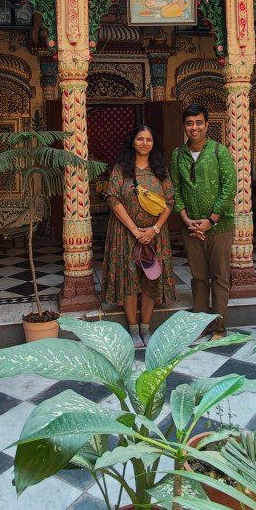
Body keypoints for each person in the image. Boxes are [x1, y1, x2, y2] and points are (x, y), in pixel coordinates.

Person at [100, 124, 176, 348]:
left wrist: (155, 229)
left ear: (154, 144)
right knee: (130, 278)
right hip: (125, 233)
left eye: (148, 139)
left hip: (155, 235)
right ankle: (133, 329)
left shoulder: (160, 169)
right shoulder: (121, 169)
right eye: (140, 139)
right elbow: (113, 198)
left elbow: (169, 201)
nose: (144, 143)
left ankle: (145, 327)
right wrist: (134, 230)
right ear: (132, 142)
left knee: (151, 276)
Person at [170, 103, 236, 338]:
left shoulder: (219, 152)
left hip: (219, 227)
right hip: (191, 227)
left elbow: (229, 189)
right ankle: (198, 325)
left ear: (207, 125)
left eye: (199, 123)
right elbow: (175, 189)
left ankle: (218, 327)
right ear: (184, 126)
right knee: (198, 278)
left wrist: (211, 220)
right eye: (190, 123)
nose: (194, 127)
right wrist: (186, 219)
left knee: (219, 277)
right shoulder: (178, 155)